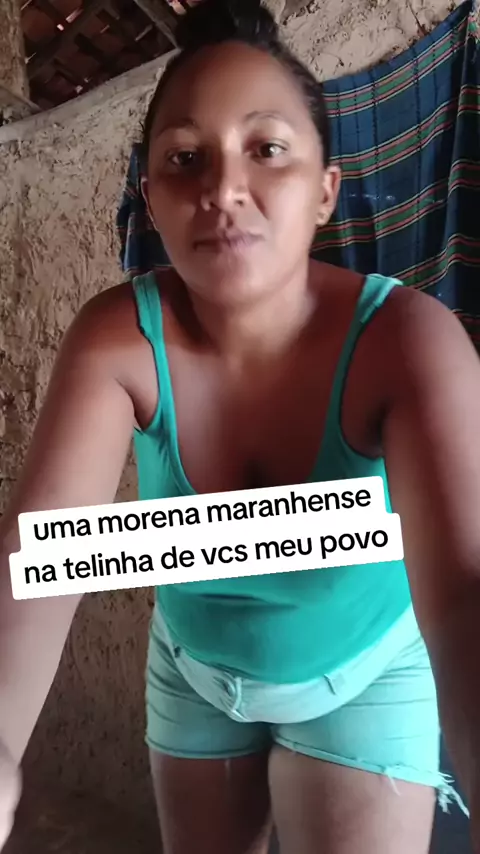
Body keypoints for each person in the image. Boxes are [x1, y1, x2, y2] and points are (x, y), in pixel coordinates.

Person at [1, 0, 480, 851]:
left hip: (366, 675)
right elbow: (40, 559)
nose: (223, 189)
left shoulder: (408, 345)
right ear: (151, 201)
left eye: (268, 149)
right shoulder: (120, 340)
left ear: (326, 190)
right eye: (186, 159)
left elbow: (464, 588)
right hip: (194, 673)